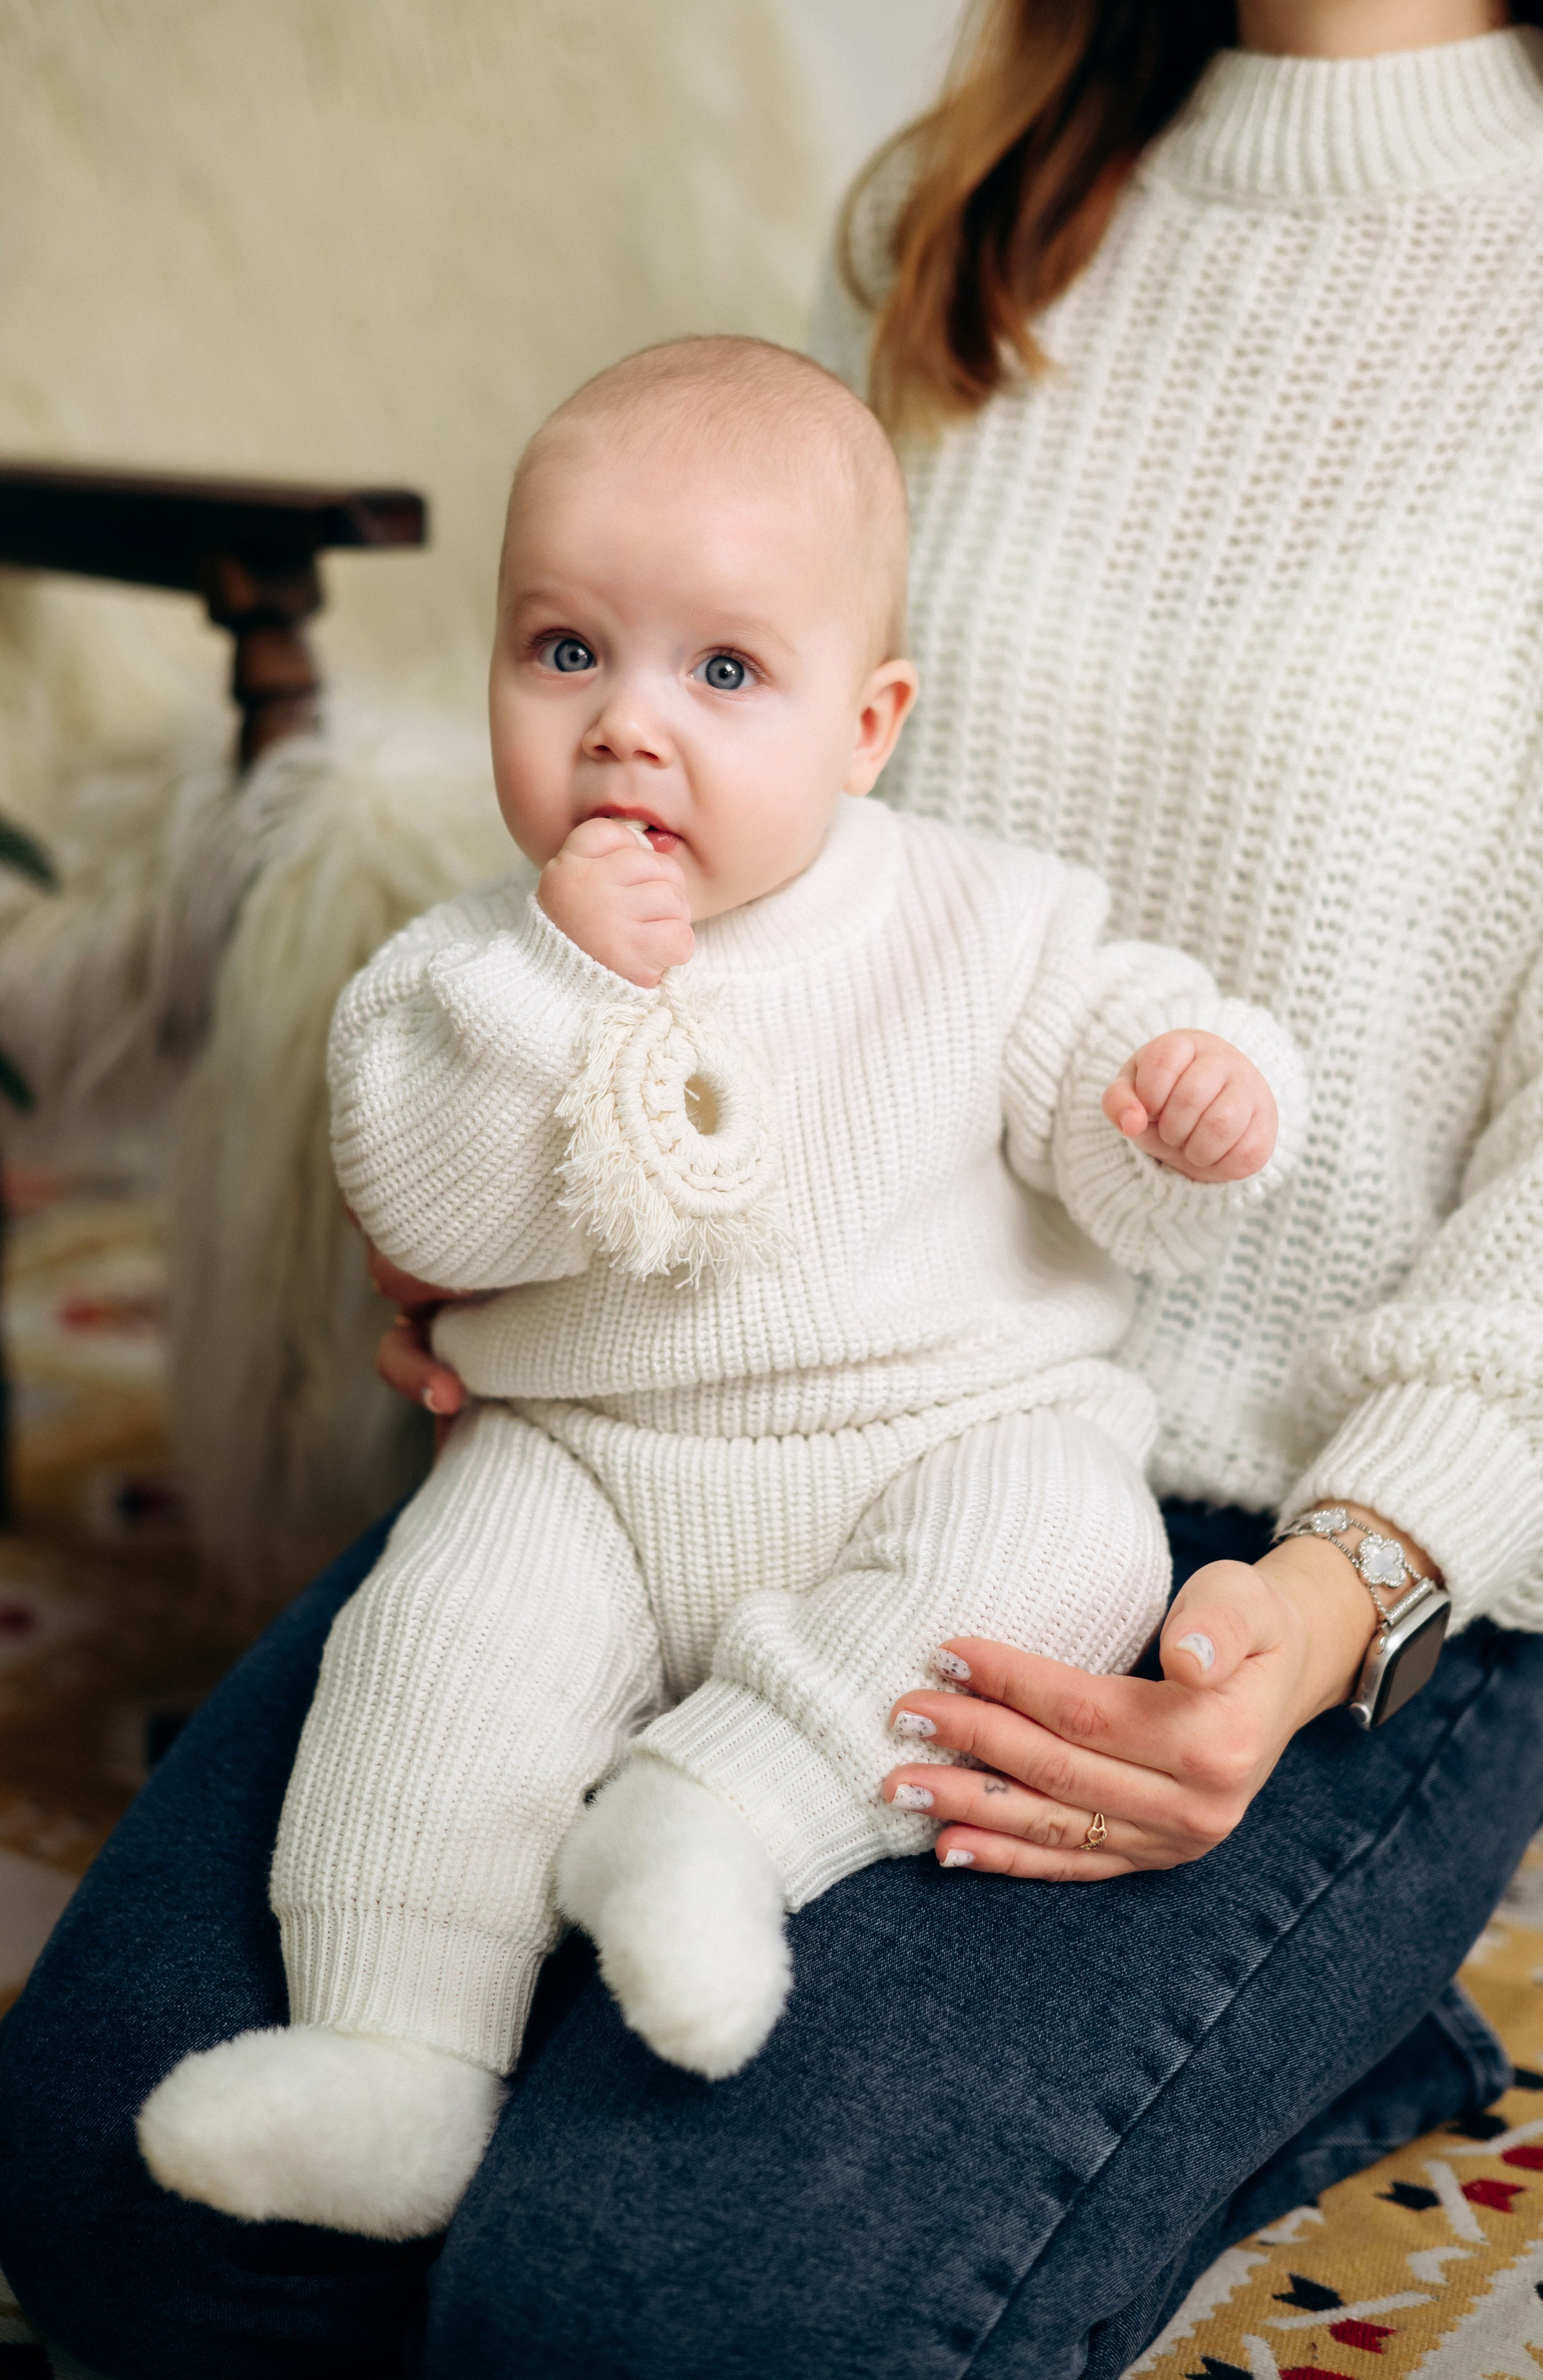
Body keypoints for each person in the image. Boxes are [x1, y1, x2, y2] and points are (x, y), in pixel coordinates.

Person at [0, 4, 1543, 2376]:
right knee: (116, 2183)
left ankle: (1297, 1997)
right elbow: (728, 786)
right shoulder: (963, 214)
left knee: (642, 2311)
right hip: (701, 1385)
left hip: (1275, 1531)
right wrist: (514, 1169)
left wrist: (1344, 1594)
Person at [135, 335, 1298, 2247]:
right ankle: (396, 2055)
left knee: (1068, 1550)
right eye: (565, 650)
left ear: (870, 721)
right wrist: (571, 989)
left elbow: (1108, 1078)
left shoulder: (983, 916)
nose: (626, 727)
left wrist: (1183, 1096)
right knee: (430, 1658)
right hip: (583, 1461)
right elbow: (422, 1193)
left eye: (725, 671)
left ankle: (718, 1816)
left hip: (936, 1438)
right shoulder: (467, 969)